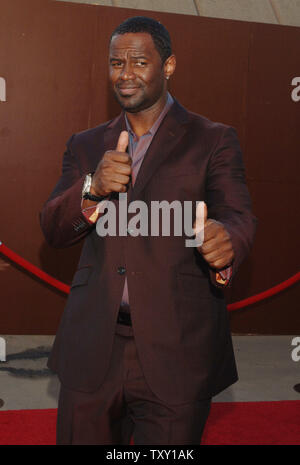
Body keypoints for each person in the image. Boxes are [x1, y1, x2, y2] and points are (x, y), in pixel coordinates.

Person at [40, 16, 256, 445]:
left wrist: (225, 242)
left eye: (139, 62)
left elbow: (238, 215)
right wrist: (92, 188)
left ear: (169, 66)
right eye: (116, 63)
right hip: (92, 346)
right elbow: (52, 227)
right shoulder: (85, 145)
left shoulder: (212, 140)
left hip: (177, 348)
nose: (125, 74)